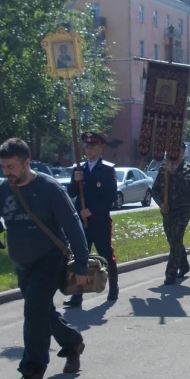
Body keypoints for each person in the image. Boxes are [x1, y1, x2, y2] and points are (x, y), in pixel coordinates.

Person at [0, 138, 89, 379]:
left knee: (33, 311)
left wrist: (82, 263)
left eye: (11, 166)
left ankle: (32, 375)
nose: (7, 172)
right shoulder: (1, 190)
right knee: (42, 311)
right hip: (22, 262)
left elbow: (73, 225)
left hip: (50, 258)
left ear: (27, 162)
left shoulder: (49, 188)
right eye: (4, 167)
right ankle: (73, 343)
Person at [63, 132, 119, 308]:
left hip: (100, 221)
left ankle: (113, 288)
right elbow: (71, 193)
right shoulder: (79, 169)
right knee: (81, 257)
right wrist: (75, 180)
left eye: (92, 147)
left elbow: (111, 197)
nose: (89, 150)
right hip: (82, 223)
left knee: (106, 255)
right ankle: (77, 295)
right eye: (87, 147)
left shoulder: (108, 169)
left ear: (100, 148)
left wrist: (92, 211)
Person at [152, 142, 190, 285]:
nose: (176, 153)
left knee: (176, 239)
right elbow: (155, 190)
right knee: (173, 241)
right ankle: (183, 264)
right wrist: (161, 204)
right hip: (168, 210)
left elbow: (188, 187)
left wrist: (174, 173)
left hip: (182, 209)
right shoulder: (162, 169)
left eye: (179, 150)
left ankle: (170, 273)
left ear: (183, 152)